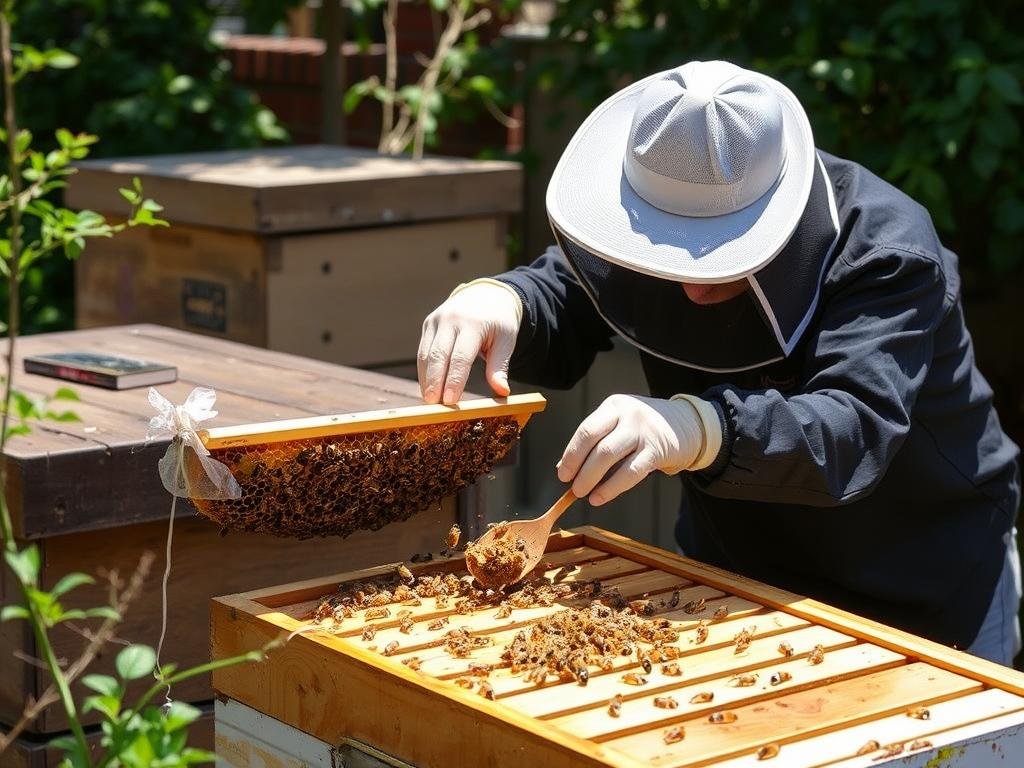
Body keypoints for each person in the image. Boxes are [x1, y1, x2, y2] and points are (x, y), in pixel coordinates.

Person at [417, 60, 1022, 664]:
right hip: (737, 572)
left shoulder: (886, 253)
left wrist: (697, 427)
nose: (693, 287)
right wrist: (503, 299)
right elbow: (571, 287)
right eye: (669, 244)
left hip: (920, 577)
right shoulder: (657, 208)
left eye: (721, 251)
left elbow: (852, 428)